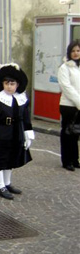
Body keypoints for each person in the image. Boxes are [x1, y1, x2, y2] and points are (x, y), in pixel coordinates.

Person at [0, 63, 34, 199]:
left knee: (11, 159)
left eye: (12, 84)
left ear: (17, 85)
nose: (9, 86)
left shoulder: (21, 99)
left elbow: (26, 119)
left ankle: (7, 183)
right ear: (2, 84)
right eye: (6, 83)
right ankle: (0, 186)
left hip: (16, 134)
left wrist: (28, 134)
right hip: (1, 134)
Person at [58, 39, 80, 171]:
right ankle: (67, 161)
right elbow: (66, 87)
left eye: (78, 50)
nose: (76, 53)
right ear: (69, 52)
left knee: (76, 132)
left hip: (78, 105)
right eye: (73, 51)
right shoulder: (64, 68)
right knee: (67, 133)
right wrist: (78, 101)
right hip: (68, 105)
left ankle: (75, 159)